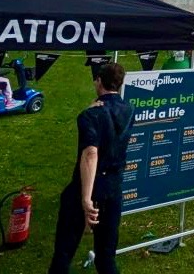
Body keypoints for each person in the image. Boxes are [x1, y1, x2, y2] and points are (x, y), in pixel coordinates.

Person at [49, 63, 134, 274]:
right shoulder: (129, 109)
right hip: (113, 187)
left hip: (88, 184)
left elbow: (90, 154)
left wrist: (86, 199)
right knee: (106, 256)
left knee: (64, 251)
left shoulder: (90, 115)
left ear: (98, 81)